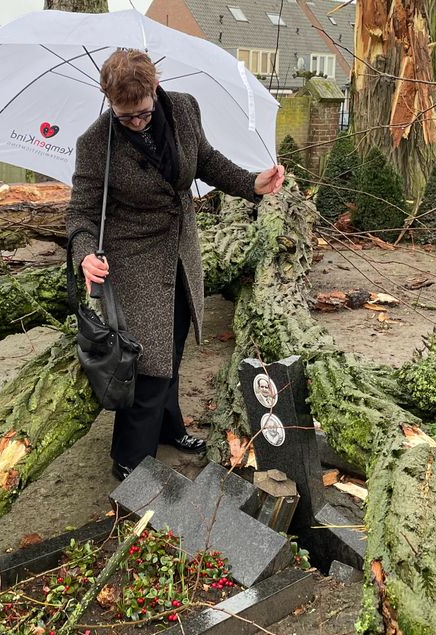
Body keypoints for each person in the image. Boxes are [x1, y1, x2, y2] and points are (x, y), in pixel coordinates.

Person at [66, 49, 285, 481]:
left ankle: (169, 429)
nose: (137, 122)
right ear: (108, 99)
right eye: (125, 116)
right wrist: (85, 253)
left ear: (155, 88)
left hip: (181, 252)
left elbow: (205, 160)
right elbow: (79, 213)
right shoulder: (95, 144)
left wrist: (250, 184)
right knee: (145, 365)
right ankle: (130, 462)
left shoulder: (185, 109)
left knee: (173, 349)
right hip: (132, 261)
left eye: (143, 113)